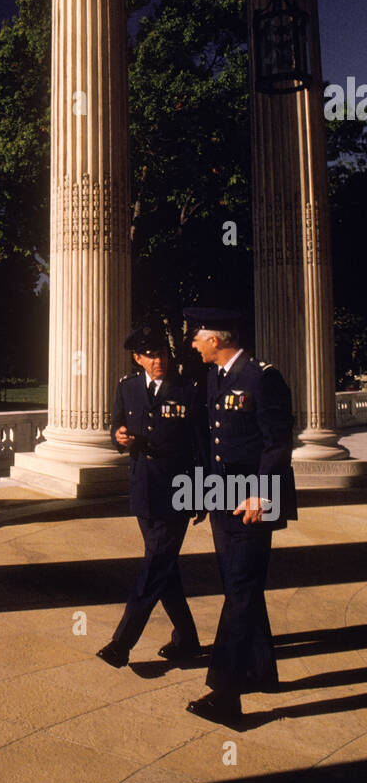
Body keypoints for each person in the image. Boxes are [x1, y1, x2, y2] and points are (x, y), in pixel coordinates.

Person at [183, 306, 297, 726]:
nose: (192, 342)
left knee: (242, 591)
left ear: (217, 339)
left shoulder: (263, 377)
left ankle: (226, 695)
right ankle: (261, 672)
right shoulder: (215, 376)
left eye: (197, 335)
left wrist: (262, 496)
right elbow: (211, 442)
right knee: (238, 585)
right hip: (221, 498)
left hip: (252, 503)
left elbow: (277, 443)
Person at [96, 320, 202, 669]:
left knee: (155, 562)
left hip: (178, 489)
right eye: (152, 355)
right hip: (143, 486)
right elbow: (116, 425)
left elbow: (201, 444)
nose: (160, 361)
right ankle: (187, 638)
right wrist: (120, 436)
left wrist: (202, 492)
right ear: (138, 358)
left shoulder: (188, 388)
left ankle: (121, 643)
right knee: (164, 567)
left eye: (164, 354)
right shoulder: (127, 387)